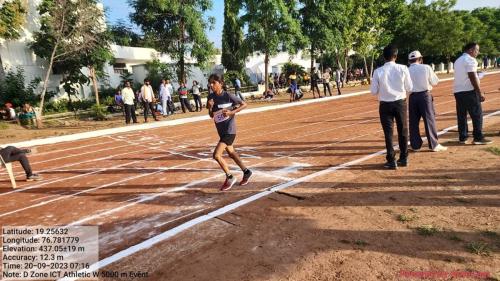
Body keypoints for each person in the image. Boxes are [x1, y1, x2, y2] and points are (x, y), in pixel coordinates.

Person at [207, 74, 252, 191]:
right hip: (221, 131)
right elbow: (211, 115)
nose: (211, 85)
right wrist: (210, 107)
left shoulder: (228, 95)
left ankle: (230, 177)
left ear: (220, 83)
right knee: (231, 153)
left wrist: (232, 112)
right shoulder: (211, 97)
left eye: (213, 83)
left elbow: (244, 104)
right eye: (210, 83)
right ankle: (246, 172)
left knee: (216, 155)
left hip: (230, 131)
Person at [371, 45, 413, 169]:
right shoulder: (403, 68)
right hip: (400, 103)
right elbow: (409, 88)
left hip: (385, 105)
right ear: (395, 56)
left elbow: (373, 91)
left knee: (388, 133)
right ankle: (404, 158)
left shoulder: (378, 71)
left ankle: (391, 160)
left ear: (384, 57)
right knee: (403, 131)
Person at [408, 50, 447, 152]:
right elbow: (435, 82)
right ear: (420, 59)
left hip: (412, 97)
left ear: (409, 61)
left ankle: (415, 145)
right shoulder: (426, 67)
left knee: (413, 122)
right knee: (429, 120)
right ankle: (433, 144)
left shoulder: (407, 70)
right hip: (424, 96)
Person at [453, 43, 492, 145]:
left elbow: (467, 74)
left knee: (462, 115)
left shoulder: (458, 60)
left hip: (458, 91)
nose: (478, 52)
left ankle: (463, 137)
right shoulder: (470, 60)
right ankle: (478, 137)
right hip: (469, 91)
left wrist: (476, 73)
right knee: (477, 114)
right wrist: (479, 92)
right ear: (471, 50)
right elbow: (471, 76)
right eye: (477, 50)